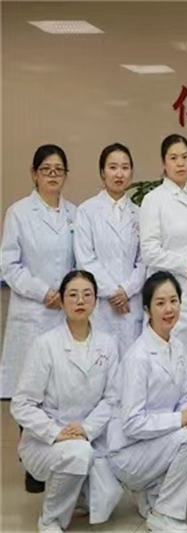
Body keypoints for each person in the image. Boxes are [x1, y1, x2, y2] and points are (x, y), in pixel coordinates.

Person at [107, 271, 187, 533]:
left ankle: (150, 492)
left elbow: (186, 396)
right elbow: (132, 424)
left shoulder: (177, 346)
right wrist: (180, 420)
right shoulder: (138, 357)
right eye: (160, 303)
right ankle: (164, 513)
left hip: (161, 443)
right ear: (147, 309)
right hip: (130, 450)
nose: (169, 309)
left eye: (173, 301)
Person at [11, 270, 123, 532]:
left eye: (87, 295)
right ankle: (51, 520)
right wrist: (57, 432)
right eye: (72, 295)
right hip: (45, 440)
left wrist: (86, 429)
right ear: (61, 301)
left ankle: (80, 495)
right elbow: (21, 404)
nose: (80, 301)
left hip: (89, 434)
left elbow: (113, 398)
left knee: (107, 490)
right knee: (77, 453)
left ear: (95, 301)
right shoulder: (45, 345)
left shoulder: (108, 344)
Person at [139, 134, 187, 392]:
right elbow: (150, 251)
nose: (180, 163)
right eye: (173, 158)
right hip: (169, 292)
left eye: (185, 157)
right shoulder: (154, 200)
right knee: (167, 367)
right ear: (164, 163)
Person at [0, 144, 76, 401]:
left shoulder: (74, 213)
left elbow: (79, 263)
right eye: (46, 169)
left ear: (65, 175)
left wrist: (66, 294)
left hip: (65, 311)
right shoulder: (18, 212)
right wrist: (44, 292)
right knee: (28, 392)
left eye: (58, 170)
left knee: (61, 392)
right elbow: (9, 265)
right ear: (34, 174)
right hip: (31, 311)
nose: (53, 175)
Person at [74, 143, 145, 358]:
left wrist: (127, 290)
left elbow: (144, 260)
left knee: (131, 364)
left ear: (131, 172)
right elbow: (85, 259)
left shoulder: (139, 213)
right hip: (100, 304)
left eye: (125, 167)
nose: (119, 174)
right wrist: (114, 293)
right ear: (102, 172)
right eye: (113, 167)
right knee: (99, 362)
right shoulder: (87, 211)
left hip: (131, 302)